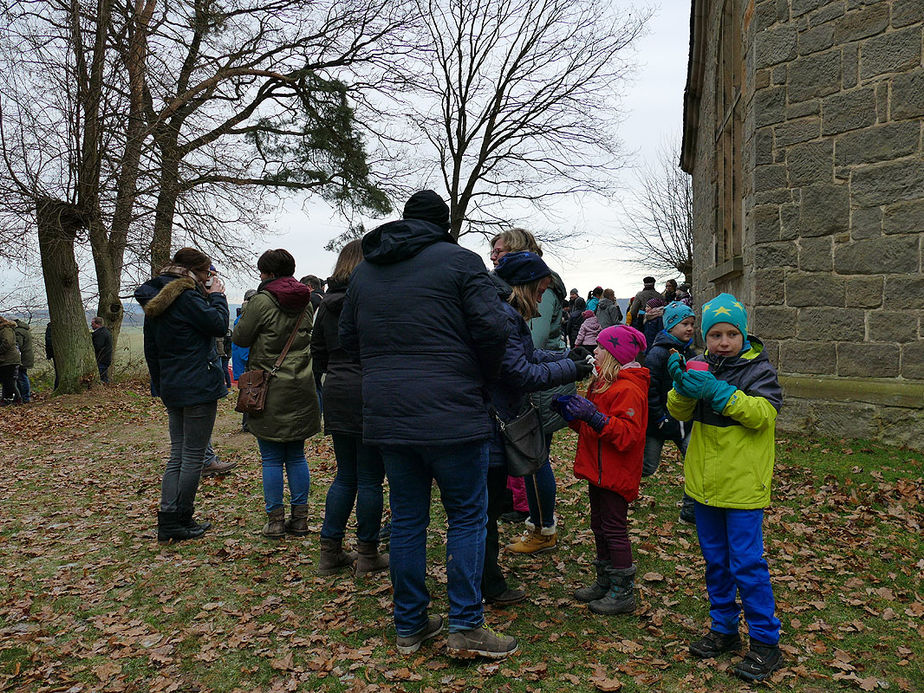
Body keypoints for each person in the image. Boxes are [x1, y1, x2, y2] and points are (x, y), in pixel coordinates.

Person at [340, 190, 515, 659]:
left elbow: (347, 341)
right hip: (454, 413)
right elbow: (495, 329)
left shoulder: (366, 271)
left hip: (389, 414)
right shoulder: (461, 262)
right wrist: (483, 374)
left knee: (409, 520)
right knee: (467, 517)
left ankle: (411, 624)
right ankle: (466, 626)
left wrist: (385, 373)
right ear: (445, 224)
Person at [667, 293, 784, 682]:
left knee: (747, 565)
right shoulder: (701, 366)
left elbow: (762, 414)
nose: (723, 341)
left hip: (743, 487)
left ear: (744, 334)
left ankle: (766, 643)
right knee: (716, 563)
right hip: (704, 486)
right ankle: (724, 631)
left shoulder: (758, 371)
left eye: (732, 333)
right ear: (704, 337)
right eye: (715, 334)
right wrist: (682, 387)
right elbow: (678, 413)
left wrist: (718, 392)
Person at [486, 251, 592, 605]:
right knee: (482, 512)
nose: (544, 298)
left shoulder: (504, 311)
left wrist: (565, 358)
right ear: (527, 286)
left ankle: (487, 579)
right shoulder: (504, 315)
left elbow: (528, 356)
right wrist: (571, 370)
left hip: (494, 416)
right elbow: (522, 373)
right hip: (491, 419)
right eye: (542, 290)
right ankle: (488, 584)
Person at [489, 228, 574, 556]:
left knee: (536, 461)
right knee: (534, 460)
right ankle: (537, 524)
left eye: (501, 252)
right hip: (537, 378)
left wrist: (570, 364)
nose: (495, 257)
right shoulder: (513, 289)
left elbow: (530, 347)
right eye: (494, 252)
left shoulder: (537, 286)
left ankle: (543, 527)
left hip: (539, 387)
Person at [135, 248, 229, 542]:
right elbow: (218, 325)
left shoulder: (156, 298)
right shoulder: (187, 297)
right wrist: (217, 296)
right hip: (198, 384)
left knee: (178, 454)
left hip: (173, 384)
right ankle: (181, 518)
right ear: (195, 272)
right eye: (207, 274)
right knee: (192, 456)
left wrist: (160, 385)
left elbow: (151, 346)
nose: (209, 279)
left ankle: (168, 518)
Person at [554, 324, 648, 615]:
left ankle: (622, 591)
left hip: (615, 472)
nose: (595, 351)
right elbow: (590, 426)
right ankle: (605, 580)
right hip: (598, 470)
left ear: (614, 354)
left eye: (601, 348)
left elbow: (626, 435)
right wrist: (572, 414)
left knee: (614, 528)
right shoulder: (603, 384)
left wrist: (593, 416)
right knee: (599, 525)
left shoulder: (629, 389)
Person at [311, 239, 387, 577]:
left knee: (345, 475)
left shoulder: (326, 305)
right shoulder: (374, 301)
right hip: (370, 387)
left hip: (338, 388)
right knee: (370, 477)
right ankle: (367, 553)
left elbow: (317, 352)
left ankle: (330, 551)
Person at [232, 249, 320, 539]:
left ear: (267, 273)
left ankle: (275, 522)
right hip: (302, 385)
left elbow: (240, 337)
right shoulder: (306, 300)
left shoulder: (262, 301)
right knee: (296, 455)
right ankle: (301, 520)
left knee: (270, 458)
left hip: (268, 387)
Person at [643, 301, 697, 523]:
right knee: (647, 466)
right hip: (659, 422)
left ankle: (690, 512)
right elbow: (650, 390)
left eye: (692, 323)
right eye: (685, 323)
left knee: (695, 464)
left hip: (685, 421)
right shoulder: (657, 354)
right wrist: (660, 418)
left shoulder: (691, 353)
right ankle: (618, 491)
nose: (690, 328)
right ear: (671, 325)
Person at [232, 289, 257, 432]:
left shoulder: (241, 318)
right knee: (249, 392)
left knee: (249, 392)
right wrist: (250, 360)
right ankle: (247, 425)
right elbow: (243, 346)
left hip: (244, 361)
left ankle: (248, 424)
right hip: (246, 362)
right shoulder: (243, 320)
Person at [0, 315, 20, 405]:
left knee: (9, 381)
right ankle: (7, 398)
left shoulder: (5, 329)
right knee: (6, 380)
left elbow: (7, 343)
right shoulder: (5, 329)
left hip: (9, 359)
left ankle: (17, 398)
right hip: (7, 359)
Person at [14, 319, 34, 403]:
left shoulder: (18, 331)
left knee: (22, 377)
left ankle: (25, 397)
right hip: (27, 357)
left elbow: (18, 345)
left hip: (22, 358)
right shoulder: (24, 329)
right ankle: (23, 397)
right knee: (22, 376)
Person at [90, 317, 113, 384]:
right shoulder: (104, 331)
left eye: (92, 323)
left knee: (102, 378)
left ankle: (105, 391)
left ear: (98, 324)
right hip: (104, 359)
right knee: (103, 376)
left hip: (102, 359)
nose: (91, 325)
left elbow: (97, 346)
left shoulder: (101, 334)